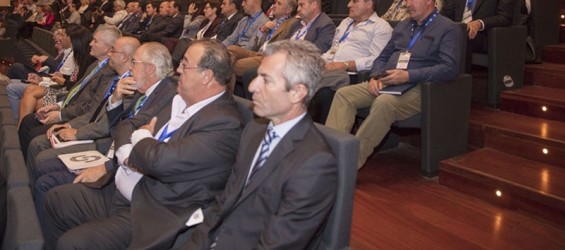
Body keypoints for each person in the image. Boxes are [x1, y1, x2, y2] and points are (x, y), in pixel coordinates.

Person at [42, 40, 244, 250]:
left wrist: (141, 140)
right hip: (118, 187)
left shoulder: (225, 123)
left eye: (185, 65)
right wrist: (126, 153)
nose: (178, 70)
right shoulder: (179, 98)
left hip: (148, 210)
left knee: (72, 243)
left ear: (207, 75)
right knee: (56, 199)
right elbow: (128, 124)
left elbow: (160, 162)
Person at [180, 40, 337, 250]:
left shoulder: (315, 164)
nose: (252, 86)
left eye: (266, 80)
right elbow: (225, 202)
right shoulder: (255, 130)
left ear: (297, 93)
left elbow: (277, 244)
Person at [326, 0, 461, 169]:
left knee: (384, 103)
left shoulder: (447, 28)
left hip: (420, 86)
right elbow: (382, 57)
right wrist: (375, 75)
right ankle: (331, 156)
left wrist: (409, 76)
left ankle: (347, 164)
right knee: (344, 95)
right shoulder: (404, 26)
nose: (407, 4)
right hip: (389, 81)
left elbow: (449, 68)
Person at [18, 25, 120, 155]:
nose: (90, 43)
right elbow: (76, 91)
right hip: (68, 103)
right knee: (29, 120)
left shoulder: (108, 73)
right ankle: (18, 158)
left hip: (78, 116)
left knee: (34, 132)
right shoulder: (96, 64)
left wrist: (61, 114)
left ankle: (21, 165)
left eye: (95, 41)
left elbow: (91, 106)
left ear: (108, 47)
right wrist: (57, 105)